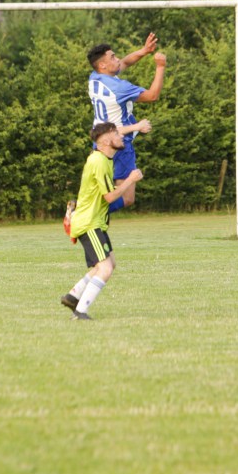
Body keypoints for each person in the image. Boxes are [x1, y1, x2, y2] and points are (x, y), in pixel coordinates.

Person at [61, 122, 143, 320]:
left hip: (94, 222)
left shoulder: (103, 159)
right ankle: (80, 312)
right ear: (106, 140)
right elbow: (109, 197)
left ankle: (72, 296)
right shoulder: (98, 161)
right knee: (105, 268)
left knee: (108, 264)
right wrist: (130, 180)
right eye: (117, 133)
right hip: (89, 223)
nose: (121, 136)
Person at [84, 32, 166, 213]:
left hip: (100, 142)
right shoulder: (119, 88)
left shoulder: (95, 77)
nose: (118, 59)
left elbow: (125, 63)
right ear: (103, 64)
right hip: (119, 142)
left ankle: (82, 212)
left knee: (102, 191)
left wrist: (144, 51)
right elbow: (152, 96)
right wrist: (160, 67)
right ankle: (82, 214)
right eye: (113, 57)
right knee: (127, 198)